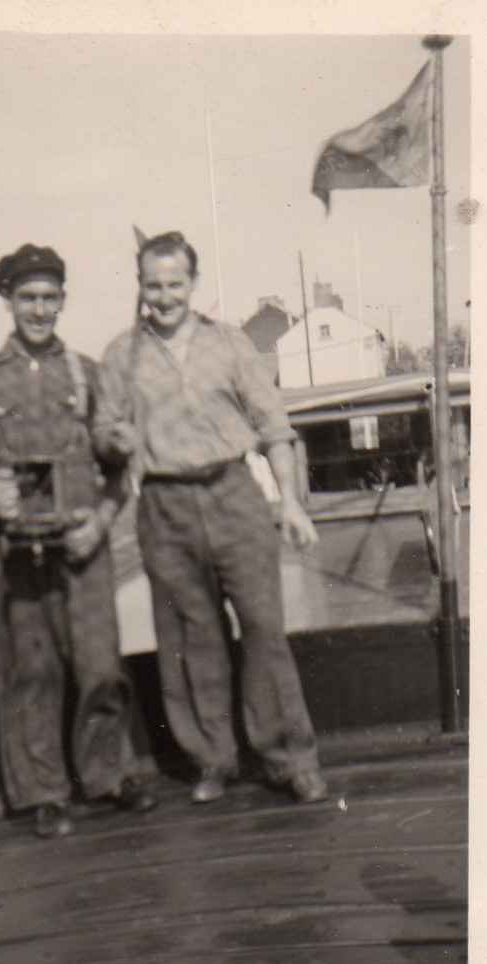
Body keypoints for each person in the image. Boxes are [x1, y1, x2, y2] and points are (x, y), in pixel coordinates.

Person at [93, 230, 328, 805]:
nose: (165, 296)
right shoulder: (121, 355)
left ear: (193, 284)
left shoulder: (229, 343)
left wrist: (291, 503)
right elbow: (103, 439)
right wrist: (114, 440)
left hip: (234, 494)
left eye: (176, 284)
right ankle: (214, 759)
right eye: (154, 285)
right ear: (141, 287)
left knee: (265, 631)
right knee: (192, 641)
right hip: (165, 508)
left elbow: (275, 428)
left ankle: (290, 758)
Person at [0, 243, 157, 838]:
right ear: (8, 301)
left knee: (99, 666)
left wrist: (104, 517)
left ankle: (108, 776)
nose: (39, 309)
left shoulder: (88, 373)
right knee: (30, 669)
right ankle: (44, 792)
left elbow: (117, 467)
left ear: (63, 301)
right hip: (12, 551)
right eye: (27, 298)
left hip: (82, 544)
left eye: (49, 298)